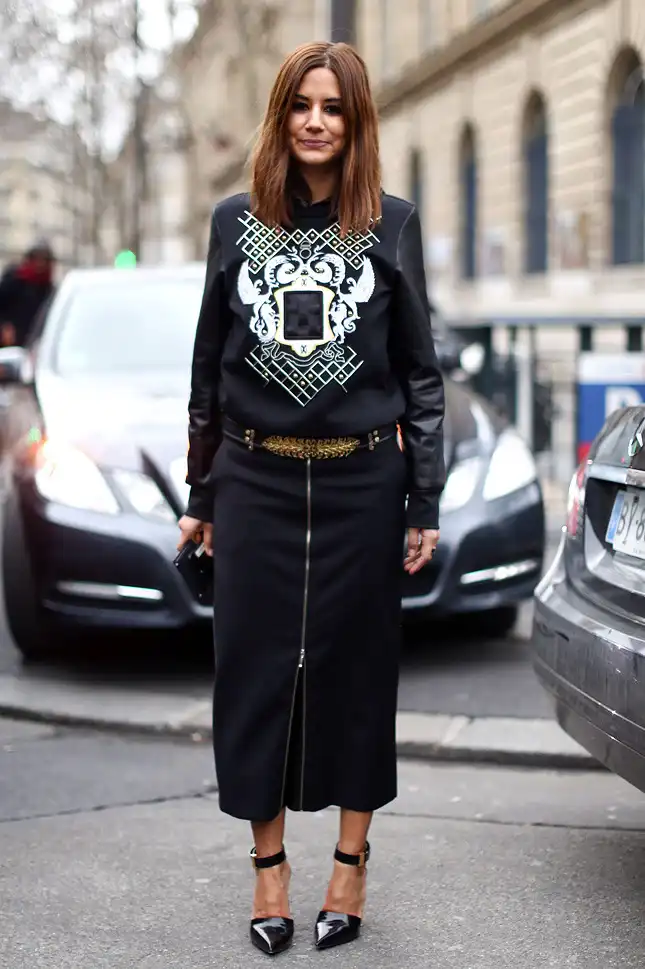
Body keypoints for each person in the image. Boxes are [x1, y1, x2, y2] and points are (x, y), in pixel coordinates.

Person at [177, 41, 445, 956]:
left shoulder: (390, 225)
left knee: (357, 673)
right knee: (252, 673)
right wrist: (201, 491)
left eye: (333, 107)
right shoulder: (234, 221)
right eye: (301, 104)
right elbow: (207, 370)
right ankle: (268, 869)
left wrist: (423, 500)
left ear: (356, 120)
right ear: (280, 115)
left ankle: (349, 863)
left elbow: (420, 375)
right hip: (253, 478)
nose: (316, 121)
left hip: (361, 481)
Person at [0, 241, 56, 348]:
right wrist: (4, 327)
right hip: (8, 342)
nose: (41, 264)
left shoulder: (48, 290)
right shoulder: (13, 280)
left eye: (45, 260)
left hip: (32, 343)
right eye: (37, 259)